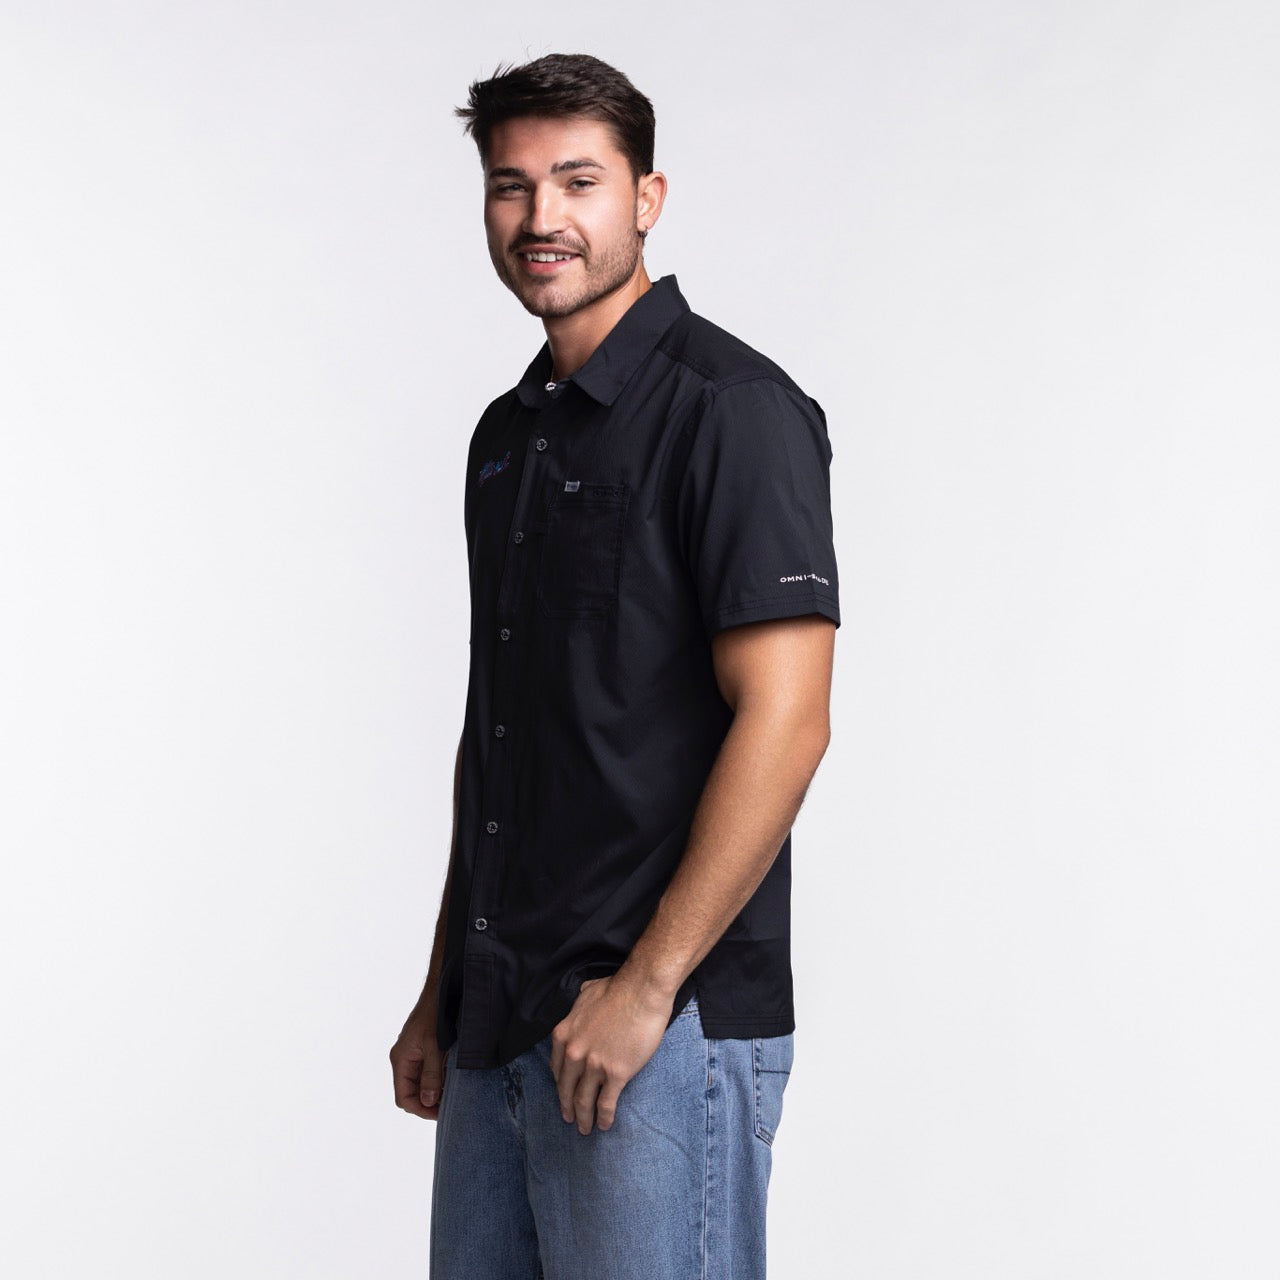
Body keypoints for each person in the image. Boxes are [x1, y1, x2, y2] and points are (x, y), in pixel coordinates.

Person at [389, 52, 840, 1279]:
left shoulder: (732, 411)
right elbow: (502, 730)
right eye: (511, 185)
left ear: (645, 198)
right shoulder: (507, 437)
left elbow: (787, 719)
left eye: (577, 182)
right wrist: (444, 987)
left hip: (658, 1026)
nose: (541, 216)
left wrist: (644, 988)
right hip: (498, 1020)